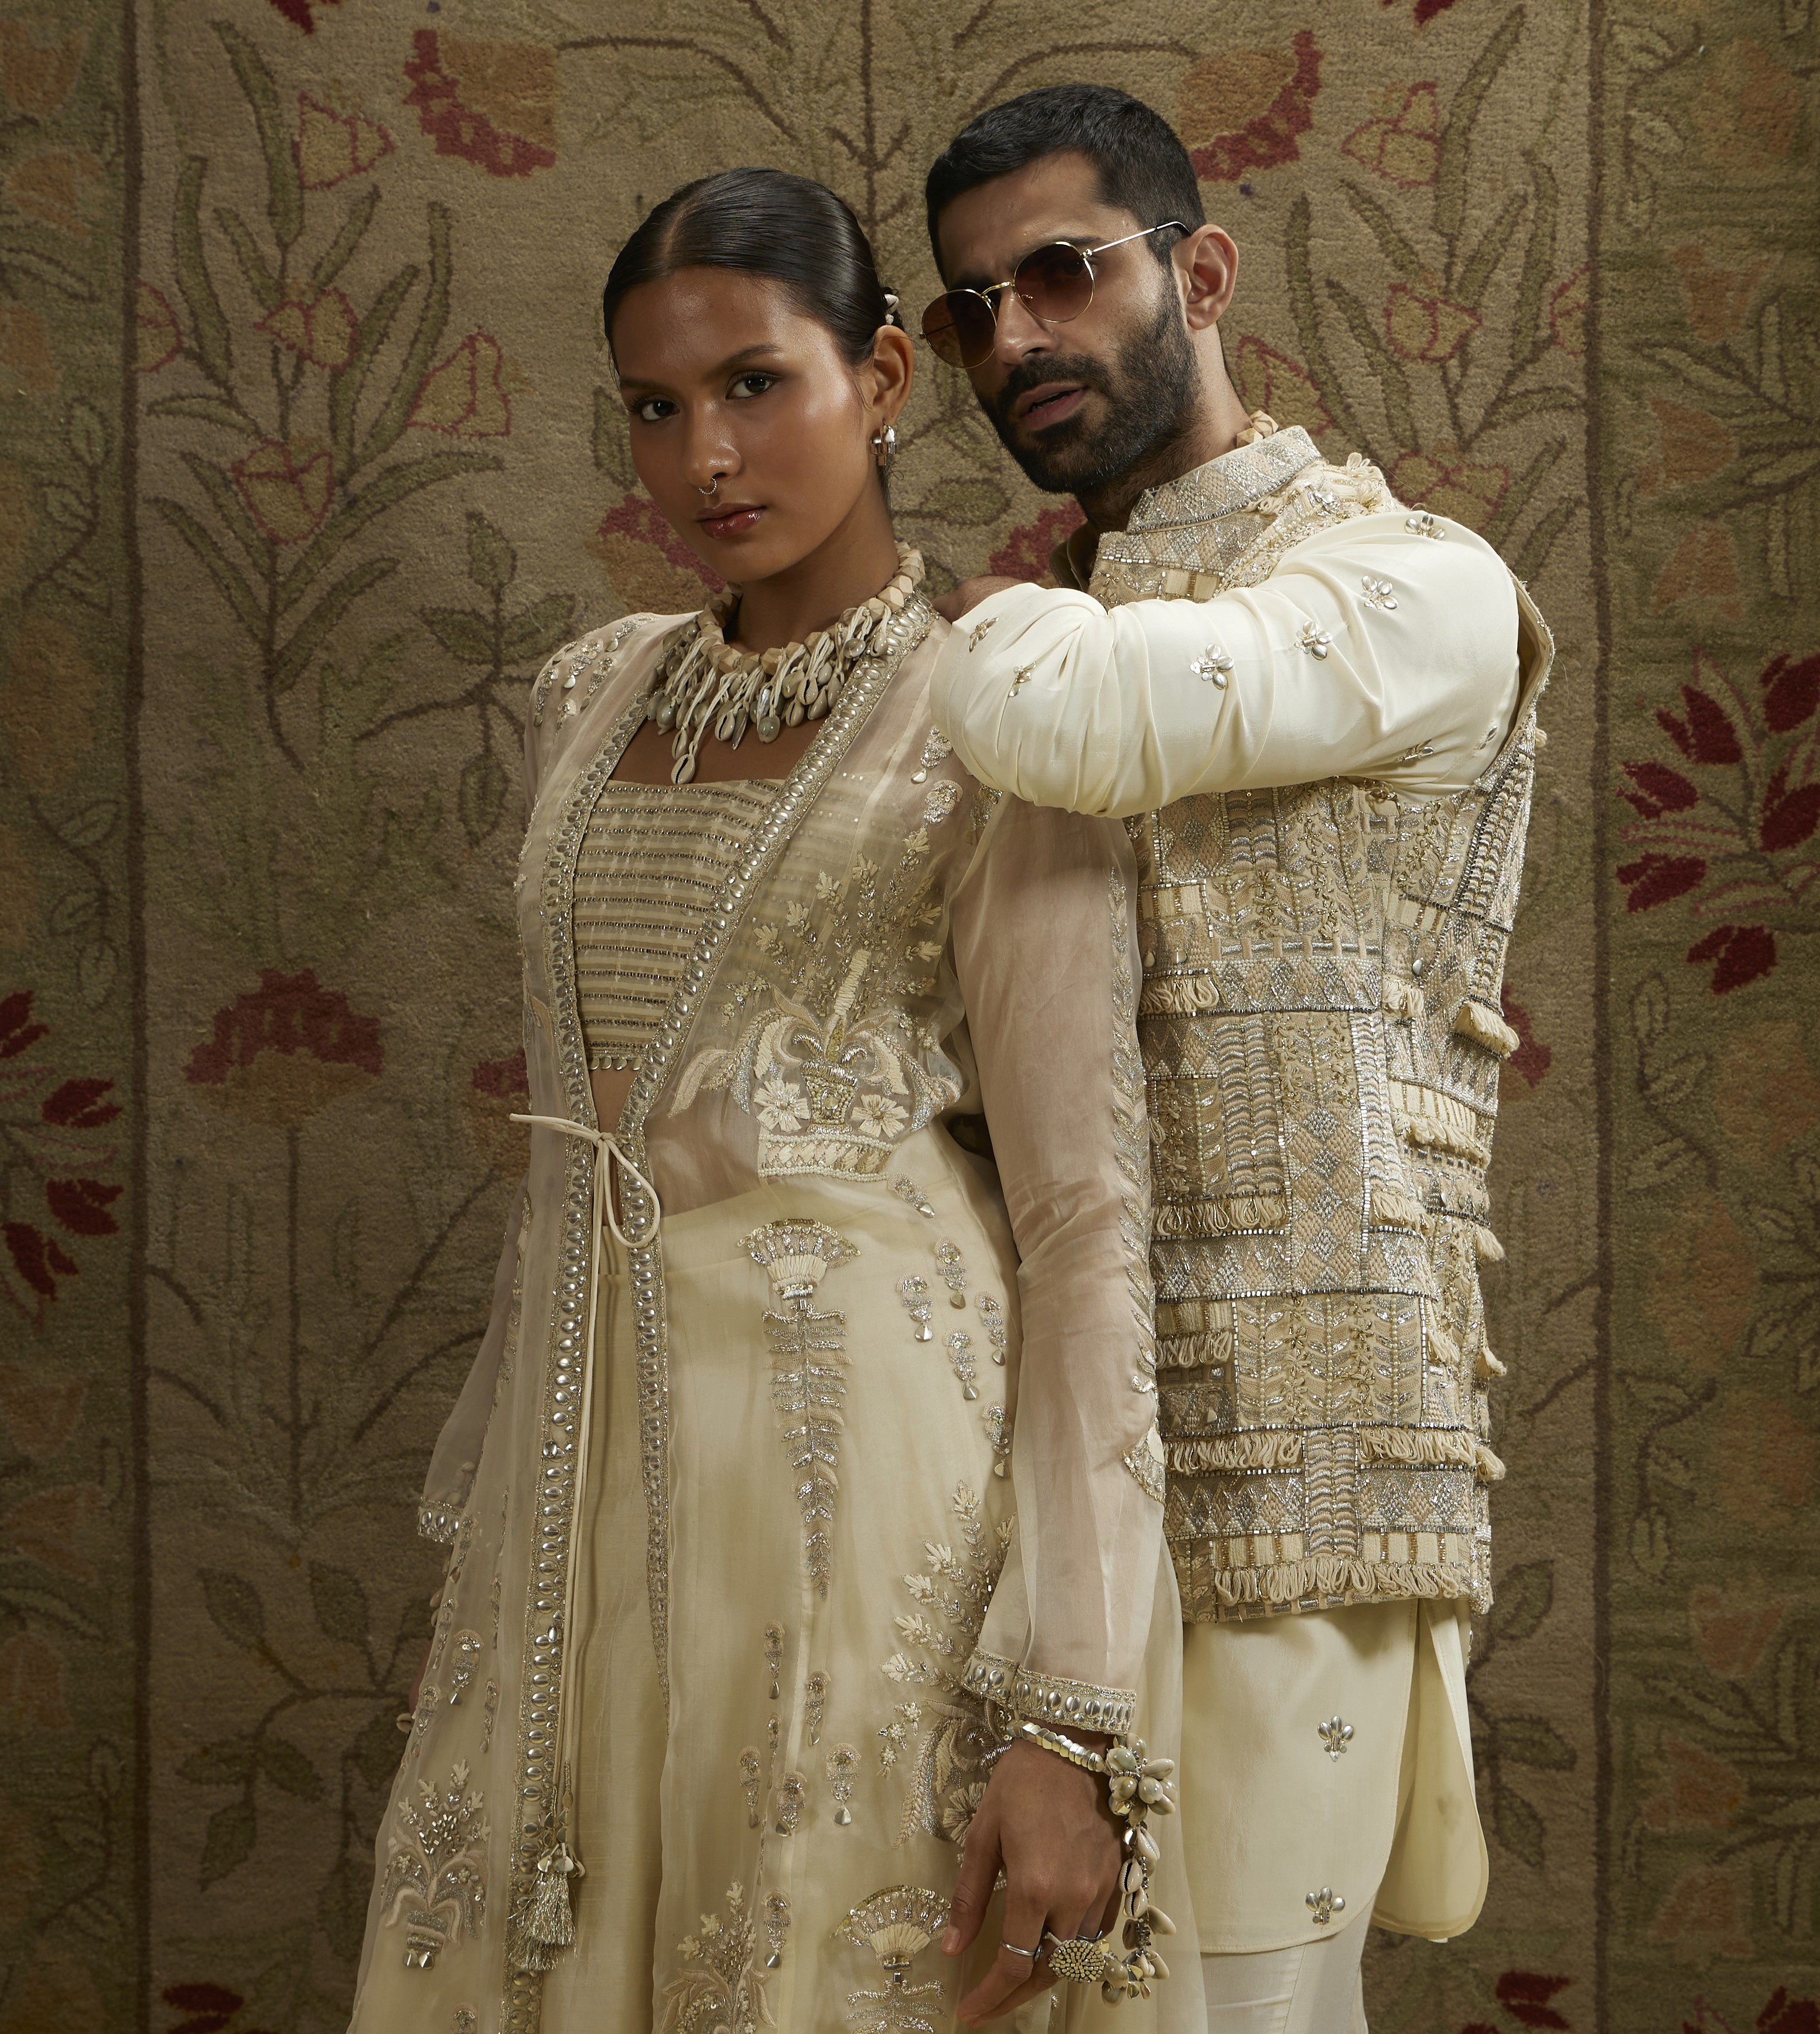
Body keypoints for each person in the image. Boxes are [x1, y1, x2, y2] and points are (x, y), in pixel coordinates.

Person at [346, 165, 1204, 2034]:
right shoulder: (590, 693)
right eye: (655, 408)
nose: (703, 458)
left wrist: (1070, 1699)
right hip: (577, 1502)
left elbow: (1079, 1222)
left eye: (756, 385)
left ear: (884, 372)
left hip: (855, 1504)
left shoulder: (993, 712)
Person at [921, 86, 1556, 2033]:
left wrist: (895, 630)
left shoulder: (1413, 589)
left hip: (1299, 1455)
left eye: (1063, 270)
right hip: (1007, 1462)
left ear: (1197, 274)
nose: (1017, 332)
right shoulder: (1060, 629)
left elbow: (1089, 718)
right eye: (969, 309)